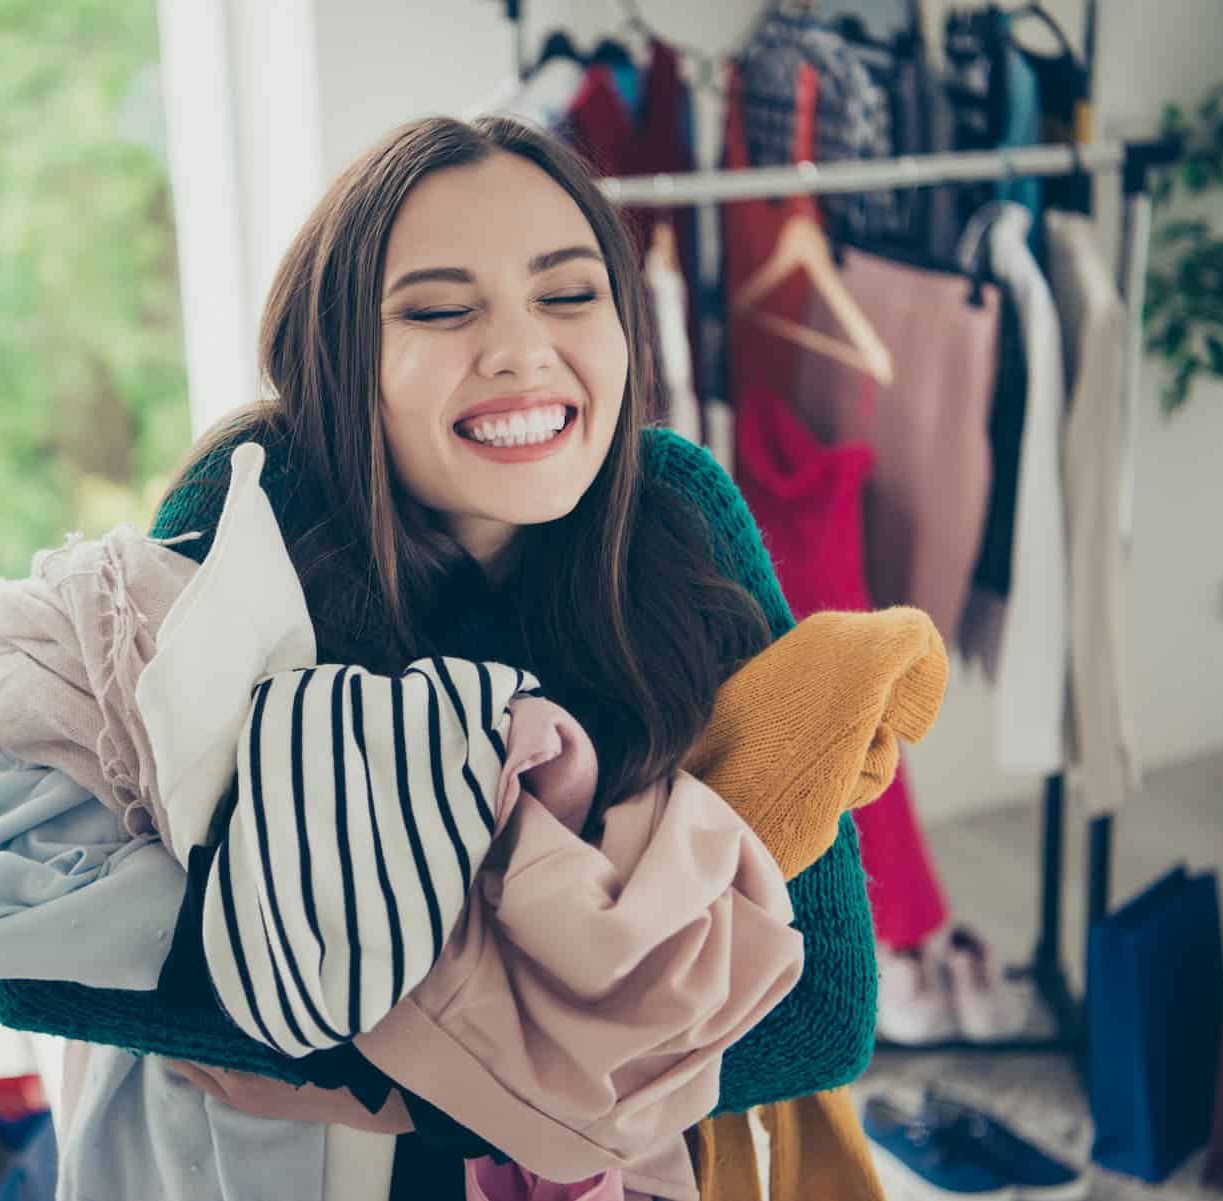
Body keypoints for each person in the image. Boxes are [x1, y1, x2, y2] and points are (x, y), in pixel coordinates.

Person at [134, 115, 880, 1196]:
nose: (522, 351)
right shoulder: (253, 503)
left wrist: (385, 1090)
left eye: (568, 295)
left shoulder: (674, 509)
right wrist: (567, 1060)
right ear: (339, 354)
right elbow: (60, 975)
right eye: (440, 310)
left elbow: (823, 1019)